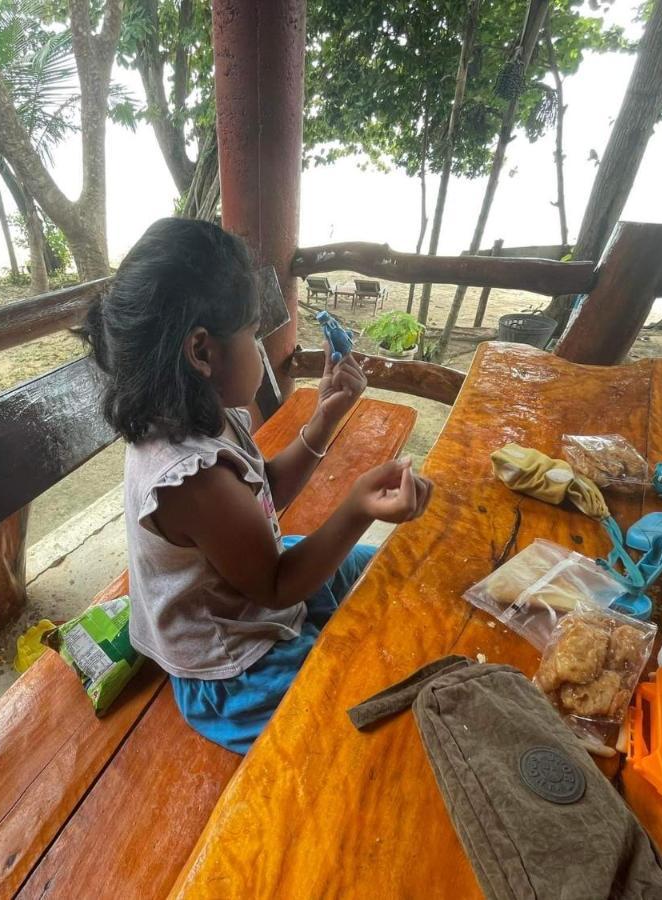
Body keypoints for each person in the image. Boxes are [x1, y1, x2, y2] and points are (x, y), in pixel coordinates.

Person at [83, 218, 433, 753]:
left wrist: (323, 421)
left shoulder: (195, 410)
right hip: (231, 664)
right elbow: (275, 586)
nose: (263, 349)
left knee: (389, 572)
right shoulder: (190, 481)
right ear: (202, 352)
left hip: (248, 587)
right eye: (252, 332)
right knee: (359, 708)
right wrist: (358, 506)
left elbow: (263, 487)